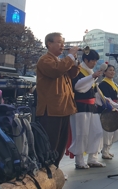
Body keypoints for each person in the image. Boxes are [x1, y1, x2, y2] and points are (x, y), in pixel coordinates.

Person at [35, 32, 80, 167]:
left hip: (63, 108)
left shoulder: (61, 61)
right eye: (59, 42)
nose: (63, 45)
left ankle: (55, 168)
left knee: (61, 143)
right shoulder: (45, 60)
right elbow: (56, 71)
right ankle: (47, 169)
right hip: (51, 110)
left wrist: (74, 60)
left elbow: (72, 74)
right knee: (51, 143)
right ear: (49, 44)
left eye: (63, 42)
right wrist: (70, 56)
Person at [68, 49, 105, 169]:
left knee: (97, 132)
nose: (94, 63)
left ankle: (92, 158)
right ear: (85, 60)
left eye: (96, 61)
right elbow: (77, 87)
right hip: (80, 106)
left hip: (91, 107)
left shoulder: (91, 72)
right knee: (81, 134)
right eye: (92, 60)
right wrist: (92, 77)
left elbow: (94, 91)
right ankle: (79, 161)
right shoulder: (78, 70)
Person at [97, 64, 118, 159]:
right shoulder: (103, 84)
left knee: (115, 131)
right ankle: (105, 151)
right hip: (107, 110)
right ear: (104, 72)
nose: (112, 72)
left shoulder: (112, 83)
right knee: (108, 132)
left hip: (114, 109)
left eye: (113, 70)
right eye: (110, 70)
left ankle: (107, 150)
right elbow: (106, 99)